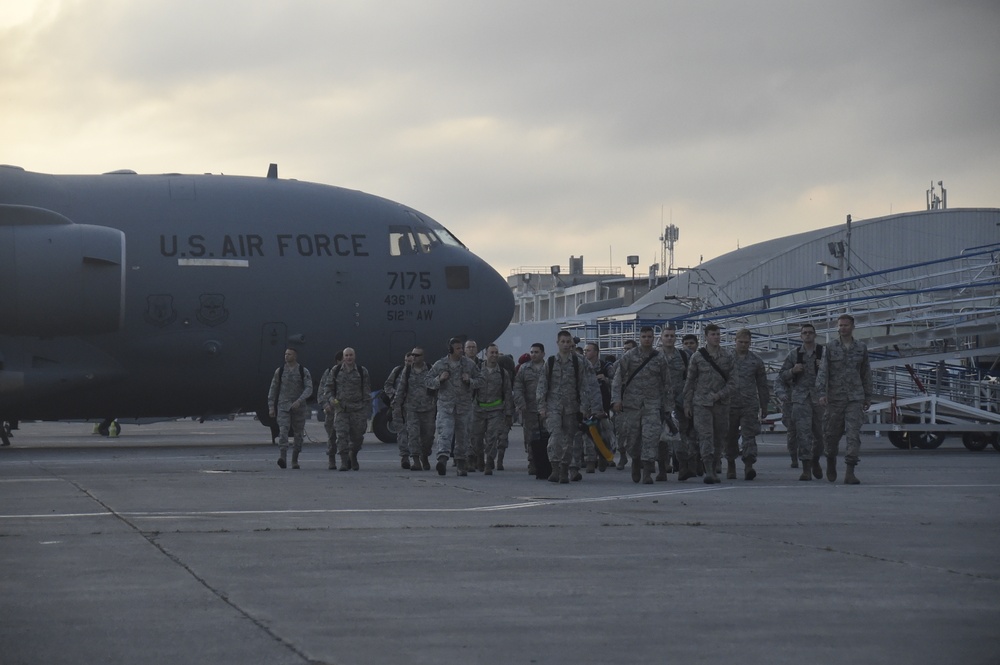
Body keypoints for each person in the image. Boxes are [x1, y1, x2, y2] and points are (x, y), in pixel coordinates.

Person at [816, 314, 872, 485]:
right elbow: (823, 371)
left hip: (855, 397)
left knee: (853, 434)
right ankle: (831, 459)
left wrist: (867, 396)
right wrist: (821, 393)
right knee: (831, 435)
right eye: (840, 325)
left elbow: (866, 373)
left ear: (853, 326)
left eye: (846, 325)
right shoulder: (831, 347)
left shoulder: (861, 348)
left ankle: (850, 470)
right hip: (835, 398)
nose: (843, 328)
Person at [612, 326, 672, 484]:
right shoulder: (630, 356)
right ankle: (636, 461)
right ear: (639, 338)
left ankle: (647, 470)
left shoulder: (659, 358)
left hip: (652, 404)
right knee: (632, 438)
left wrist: (667, 407)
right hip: (632, 405)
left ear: (653, 338)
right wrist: (616, 400)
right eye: (644, 336)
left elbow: (667, 384)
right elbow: (618, 379)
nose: (647, 339)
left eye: (649, 336)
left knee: (650, 437)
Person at [537, 330, 593, 483]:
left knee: (569, 440)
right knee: (555, 438)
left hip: (571, 408)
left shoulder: (578, 363)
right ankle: (554, 467)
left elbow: (583, 386)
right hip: (553, 407)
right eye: (563, 342)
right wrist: (542, 407)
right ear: (557, 343)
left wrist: (584, 407)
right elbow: (542, 385)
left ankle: (564, 469)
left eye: (568, 342)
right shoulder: (550, 362)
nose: (566, 345)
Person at [683, 324, 736, 484]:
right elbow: (690, 381)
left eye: (719, 334)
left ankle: (715, 464)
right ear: (706, 336)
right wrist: (687, 403)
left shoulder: (727, 356)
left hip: (721, 404)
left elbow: (734, 382)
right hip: (701, 404)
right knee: (705, 436)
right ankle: (709, 470)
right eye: (713, 334)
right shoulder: (697, 357)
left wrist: (719, 395)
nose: (717, 337)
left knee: (719, 437)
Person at [427, 337, 482, 476]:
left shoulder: (469, 364)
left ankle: (461, 463)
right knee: (444, 434)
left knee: (463, 436)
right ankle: (442, 460)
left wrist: (470, 381)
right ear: (450, 350)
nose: (461, 351)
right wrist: (439, 379)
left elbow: (481, 380)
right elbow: (427, 381)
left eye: (461, 348)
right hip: (446, 406)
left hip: (464, 407)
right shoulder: (440, 364)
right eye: (458, 348)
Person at [779, 323, 825, 481]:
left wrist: (825, 367)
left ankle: (815, 460)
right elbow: (782, 375)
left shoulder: (824, 353)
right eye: (804, 333)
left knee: (821, 435)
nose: (807, 335)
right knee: (803, 434)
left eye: (810, 332)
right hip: (800, 399)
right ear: (801, 336)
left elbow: (837, 374)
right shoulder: (794, 355)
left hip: (820, 398)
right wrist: (793, 371)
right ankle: (806, 468)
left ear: (815, 334)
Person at [725, 329, 769, 480]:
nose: (743, 345)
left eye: (746, 342)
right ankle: (731, 463)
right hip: (730, 403)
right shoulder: (726, 358)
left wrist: (764, 405)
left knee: (749, 435)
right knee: (730, 435)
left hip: (749, 404)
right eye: (740, 342)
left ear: (750, 343)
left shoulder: (756, 361)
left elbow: (762, 385)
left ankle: (749, 465)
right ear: (734, 341)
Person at [322, 347, 371, 471]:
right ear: (343, 357)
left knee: (358, 436)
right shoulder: (336, 370)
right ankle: (344, 462)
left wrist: (365, 410)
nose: (349, 357)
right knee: (341, 436)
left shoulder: (362, 371)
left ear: (354, 356)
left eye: (351, 355)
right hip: (341, 409)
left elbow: (366, 391)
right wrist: (331, 399)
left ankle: (353, 454)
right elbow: (328, 388)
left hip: (357, 409)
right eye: (347, 355)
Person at [661, 327, 698, 481]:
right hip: (660, 401)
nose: (670, 338)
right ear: (661, 338)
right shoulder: (655, 356)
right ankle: (662, 468)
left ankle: (683, 466)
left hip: (679, 401)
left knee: (679, 434)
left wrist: (688, 400)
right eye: (667, 336)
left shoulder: (684, 355)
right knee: (660, 437)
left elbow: (692, 378)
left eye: (672, 336)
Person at [267, 348, 313, 469]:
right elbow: (273, 388)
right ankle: (282, 457)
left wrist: (299, 400)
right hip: (283, 406)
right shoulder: (280, 371)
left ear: (295, 356)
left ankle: (294, 459)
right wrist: (271, 406)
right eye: (285, 354)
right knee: (283, 431)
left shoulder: (303, 371)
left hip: (299, 407)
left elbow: (309, 388)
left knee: (298, 434)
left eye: (289, 354)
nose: (286, 356)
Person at [471, 344, 514, 475]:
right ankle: (479, 459)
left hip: (496, 410)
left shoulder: (502, 373)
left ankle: (489, 461)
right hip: (478, 410)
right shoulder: (477, 370)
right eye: (492, 353)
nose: (494, 355)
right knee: (476, 439)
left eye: (496, 353)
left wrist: (508, 413)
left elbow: (507, 393)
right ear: (486, 354)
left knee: (492, 438)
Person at [392, 346, 436, 471]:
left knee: (428, 436)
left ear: (423, 357)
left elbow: (436, 387)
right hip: (411, 409)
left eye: (417, 355)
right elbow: (401, 389)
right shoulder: (407, 371)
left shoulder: (430, 369)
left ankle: (425, 456)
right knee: (413, 435)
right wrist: (397, 405)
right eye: (413, 355)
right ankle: (416, 460)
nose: (414, 357)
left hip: (428, 409)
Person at [513, 343, 546, 476]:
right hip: (530, 409)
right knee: (530, 438)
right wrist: (521, 403)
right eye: (532, 352)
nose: (533, 354)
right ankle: (532, 462)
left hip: (546, 408)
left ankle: (547, 462)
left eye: (536, 352)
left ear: (543, 353)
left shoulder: (548, 367)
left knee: (547, 436)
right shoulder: (524, 369)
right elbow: (518, 387)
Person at [583, 342, 614, 472]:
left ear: (596, 352)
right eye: (584, 350)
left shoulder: (606, 367)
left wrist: (606, 380)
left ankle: (603, 456)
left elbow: (617, 383)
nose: (585, 353)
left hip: (603, 404)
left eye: (588, 350)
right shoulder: (581, 366)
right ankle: (590, 460)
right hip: (586, 403)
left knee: (603, 433)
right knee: (587, 432)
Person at [383, 353, 413, 468]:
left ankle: (418, 456)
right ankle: (405, 456)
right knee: (402, 432)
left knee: (415, 432)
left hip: (415, 407)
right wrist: (394, 396)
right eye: (406, 361)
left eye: (410, 361)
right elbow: (387, 385)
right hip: (399, 406)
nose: (407, 363)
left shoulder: (420, 372)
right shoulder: (398, 371)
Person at [612, 339, 638, 470]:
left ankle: (637, 459)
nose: (626, 351)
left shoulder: (642, 362)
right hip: (622, 402)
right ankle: (622, 455)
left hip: (637, 403)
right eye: (625, 349)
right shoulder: (620, 363)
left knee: (636, 433)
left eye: (629, 349)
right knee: (621, 431)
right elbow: (613, 378)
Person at [317, 350, 344, 469]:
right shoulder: (329, 373)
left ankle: (346, 459)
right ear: (338, 361)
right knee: (332, 437)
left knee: (346, 436)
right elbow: (322, 391)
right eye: (344, 358)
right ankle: (331, 459)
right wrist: (325, 405)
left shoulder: (355, 372)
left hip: (346, 410)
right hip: (332, 410)